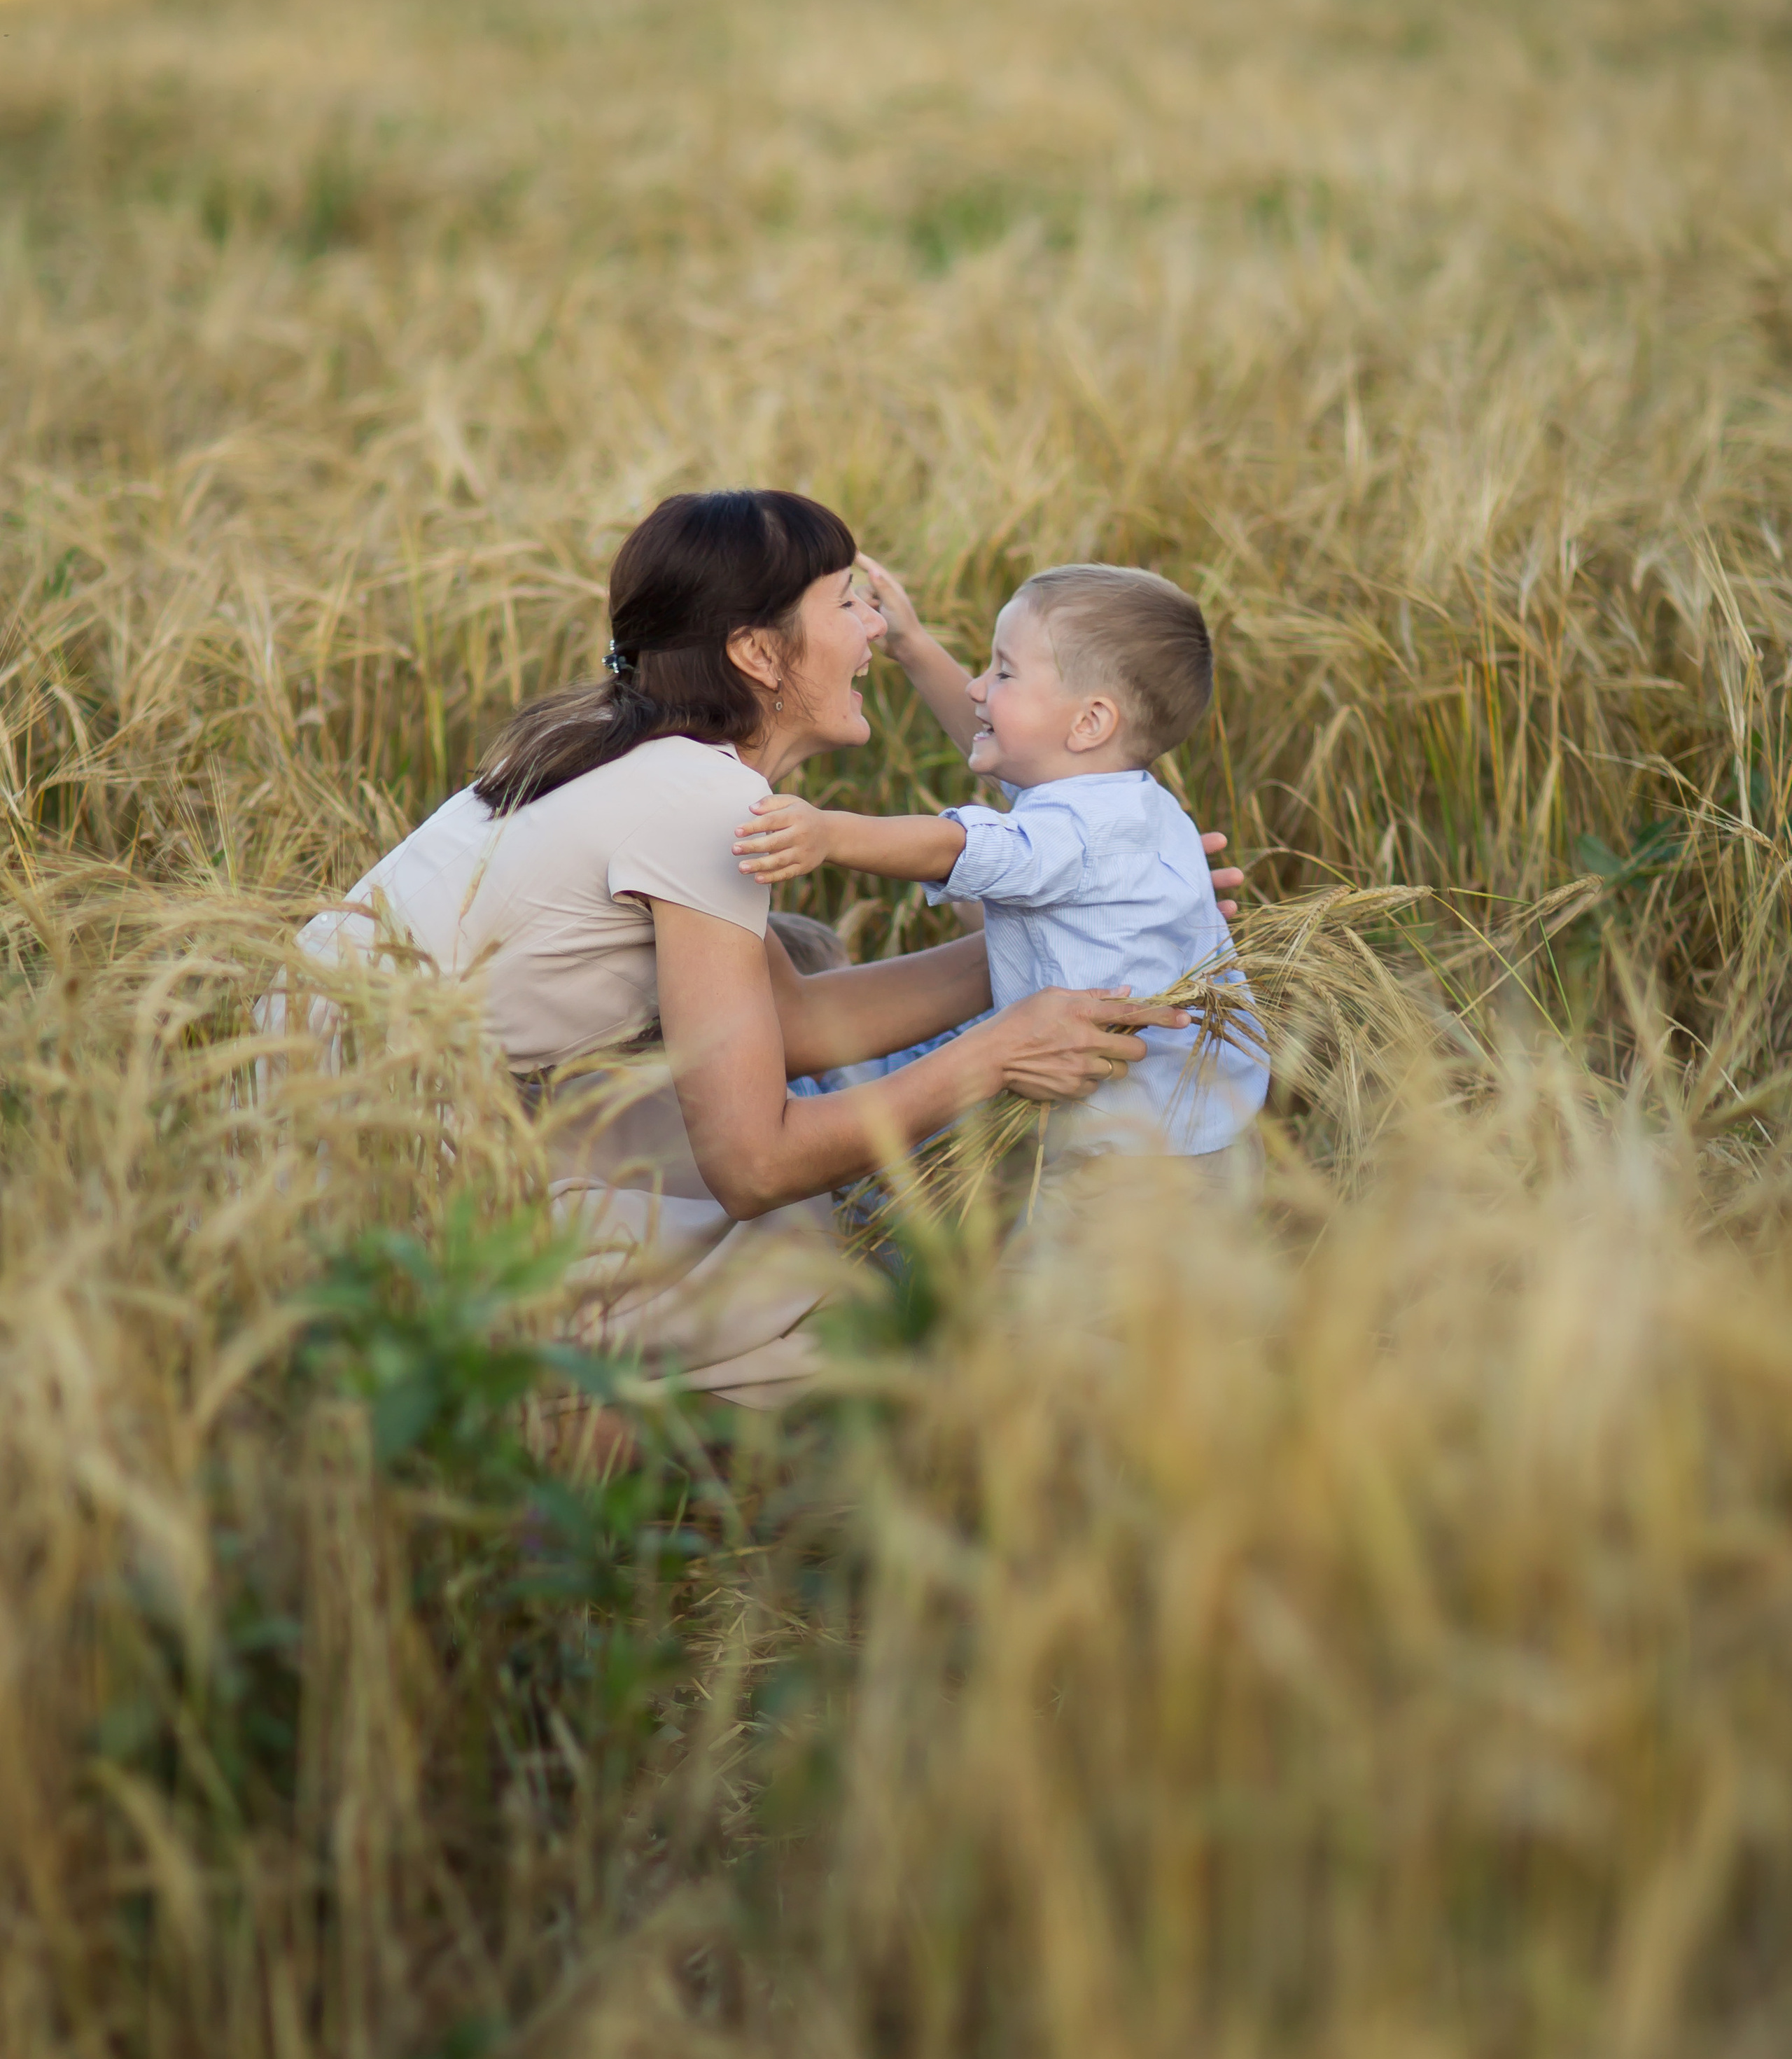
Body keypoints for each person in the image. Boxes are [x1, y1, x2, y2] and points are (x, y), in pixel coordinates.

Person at [288, 491, 1242, 1406]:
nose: (874, 627)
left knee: (813, 990)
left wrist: (1093, 936)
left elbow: (802, 1022)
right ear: (756, 652)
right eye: (845, 604)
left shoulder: (624, 740)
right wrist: (994, 1053)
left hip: (348, 1124)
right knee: (842, 1295)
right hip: (381, 1179)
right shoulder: (700, 804)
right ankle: (551, 1440)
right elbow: (751, 1165)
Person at [734, 558, 1266, 1171]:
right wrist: (915, 647)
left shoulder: (1076, 829)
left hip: (1124, 1156)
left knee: (1047, 1272)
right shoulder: (1122, 798)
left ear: (1090, 721)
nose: (977, 688)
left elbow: (962, 847)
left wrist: (831, 833)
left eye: (1004, 672)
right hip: (1203, 1132)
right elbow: (1006, 745)